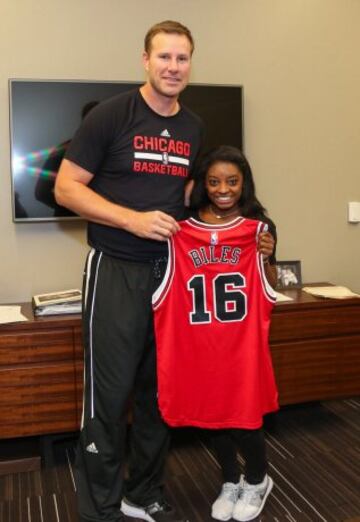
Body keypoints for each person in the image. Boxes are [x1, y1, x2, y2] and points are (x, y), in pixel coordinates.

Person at [55, 20, 203, 522]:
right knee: (108, 395)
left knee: (159, 392)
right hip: (115, 269)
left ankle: (144, 492)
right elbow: (67, 188)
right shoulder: (112, 115)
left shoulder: (193, 128)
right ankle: (99, 509)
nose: (173, 67)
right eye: (164, 57)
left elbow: (189, 198)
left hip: (169, 276)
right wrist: (133, 221)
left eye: (182, 59)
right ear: (145, 59)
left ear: (191, 63)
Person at [152, 146, 278, 522]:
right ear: (203, 185)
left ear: (244, 183)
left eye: (233, 181)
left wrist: (266, 257)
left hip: (242, 347)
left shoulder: (259, 227)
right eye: (215, 181)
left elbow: (271, 289)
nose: (224, 189)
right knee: (214, 417)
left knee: (245, 419)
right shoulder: (181, 231)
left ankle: (257, 480)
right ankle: (230, 479)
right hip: (200, 346)